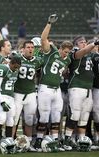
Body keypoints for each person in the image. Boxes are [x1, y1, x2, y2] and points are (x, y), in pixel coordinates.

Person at [33, 14, 74, 152]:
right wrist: (49, 23)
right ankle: (38, 140)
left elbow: (62, 71)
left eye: (68, 52)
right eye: (64, 51)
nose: (65, 54)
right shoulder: (51, 52)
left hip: (56, 89)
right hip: (45, 88)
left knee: (57, 116)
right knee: (44, 115)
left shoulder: (67, 59)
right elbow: (43, 39)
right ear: (60, 48)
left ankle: (55, 141)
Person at [63, 36, 99, 151]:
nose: (84, 44)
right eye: (81, 42)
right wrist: (94, 43)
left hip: (88, 88)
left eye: (85, 42)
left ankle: (82, 140)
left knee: (84, 116)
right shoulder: (74, 52)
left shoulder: (90, 55)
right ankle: (67, 139)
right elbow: (83, 52)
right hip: (76, 87)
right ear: (75, 44)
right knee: (75, 114)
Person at [13, 40, 42, 151]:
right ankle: (11, 141)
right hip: (17, 93)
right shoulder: (17, 59)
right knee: (14, 119)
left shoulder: (38, 61)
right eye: (28, 47)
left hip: (30, 93)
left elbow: (39, 74)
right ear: (23, 49)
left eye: (32, 47)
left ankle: (28, 143)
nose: (30, 49)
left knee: (29, 119)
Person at [0, 55, 21, 154]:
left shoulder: (15, 70)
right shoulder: (2, 68)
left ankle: (8, 142)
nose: (16, 69)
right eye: (15, 66)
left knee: (11, 119)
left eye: (18, 67)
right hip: (1, 96)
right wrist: (2, 101)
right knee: (2, 118)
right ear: (10, 63)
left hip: (10, 97)